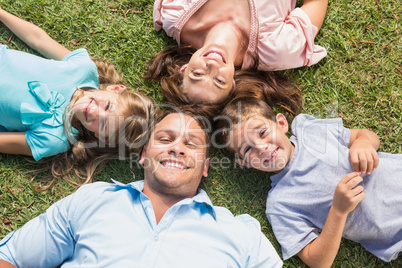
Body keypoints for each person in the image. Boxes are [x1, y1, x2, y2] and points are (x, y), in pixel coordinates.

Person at [0, 109, 283, 267]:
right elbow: (11, 257)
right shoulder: (93, 199)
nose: (177, 149)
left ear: (206, 167)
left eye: (191, 144)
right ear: (144, 155)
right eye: (165, 138)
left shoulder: (241, 234)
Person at [215, 98, 402, 267]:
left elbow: (364, 135)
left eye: (263, 132)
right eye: (248, 149)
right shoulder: (280, 204)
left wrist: (364, 144)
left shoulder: (309, 129)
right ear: (245, 162)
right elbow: (318, 261)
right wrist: (338, 210)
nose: (261, 148)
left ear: (281, 123)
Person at [0, 7, 155, 187]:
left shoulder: (55, 138)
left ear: (100, 137)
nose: (96, 113)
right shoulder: (82, 69)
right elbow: (38, 39)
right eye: (108, 107)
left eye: (103, 124)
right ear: (116, 89)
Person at [146, 0, 328, 105]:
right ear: (232, 84)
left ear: (184, 69)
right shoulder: (276, 49)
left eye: (198, 73)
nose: (212, 66)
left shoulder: (174, 15)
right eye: (219, 80)